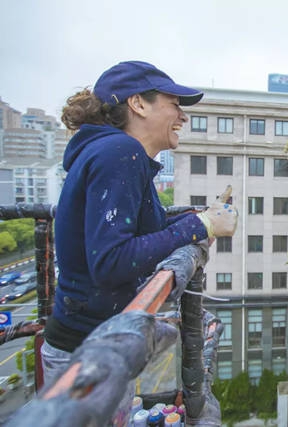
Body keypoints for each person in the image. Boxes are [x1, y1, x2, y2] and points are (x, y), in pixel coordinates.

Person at [41, 61, 238, 425]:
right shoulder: (120, 152)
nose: (182, 116)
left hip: (92, 345)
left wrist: (199, 219)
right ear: (139, 104)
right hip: (87, 361)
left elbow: (145, 232)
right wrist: (204, 224)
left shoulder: (119, 154)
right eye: (174, 103)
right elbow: (112, 261)